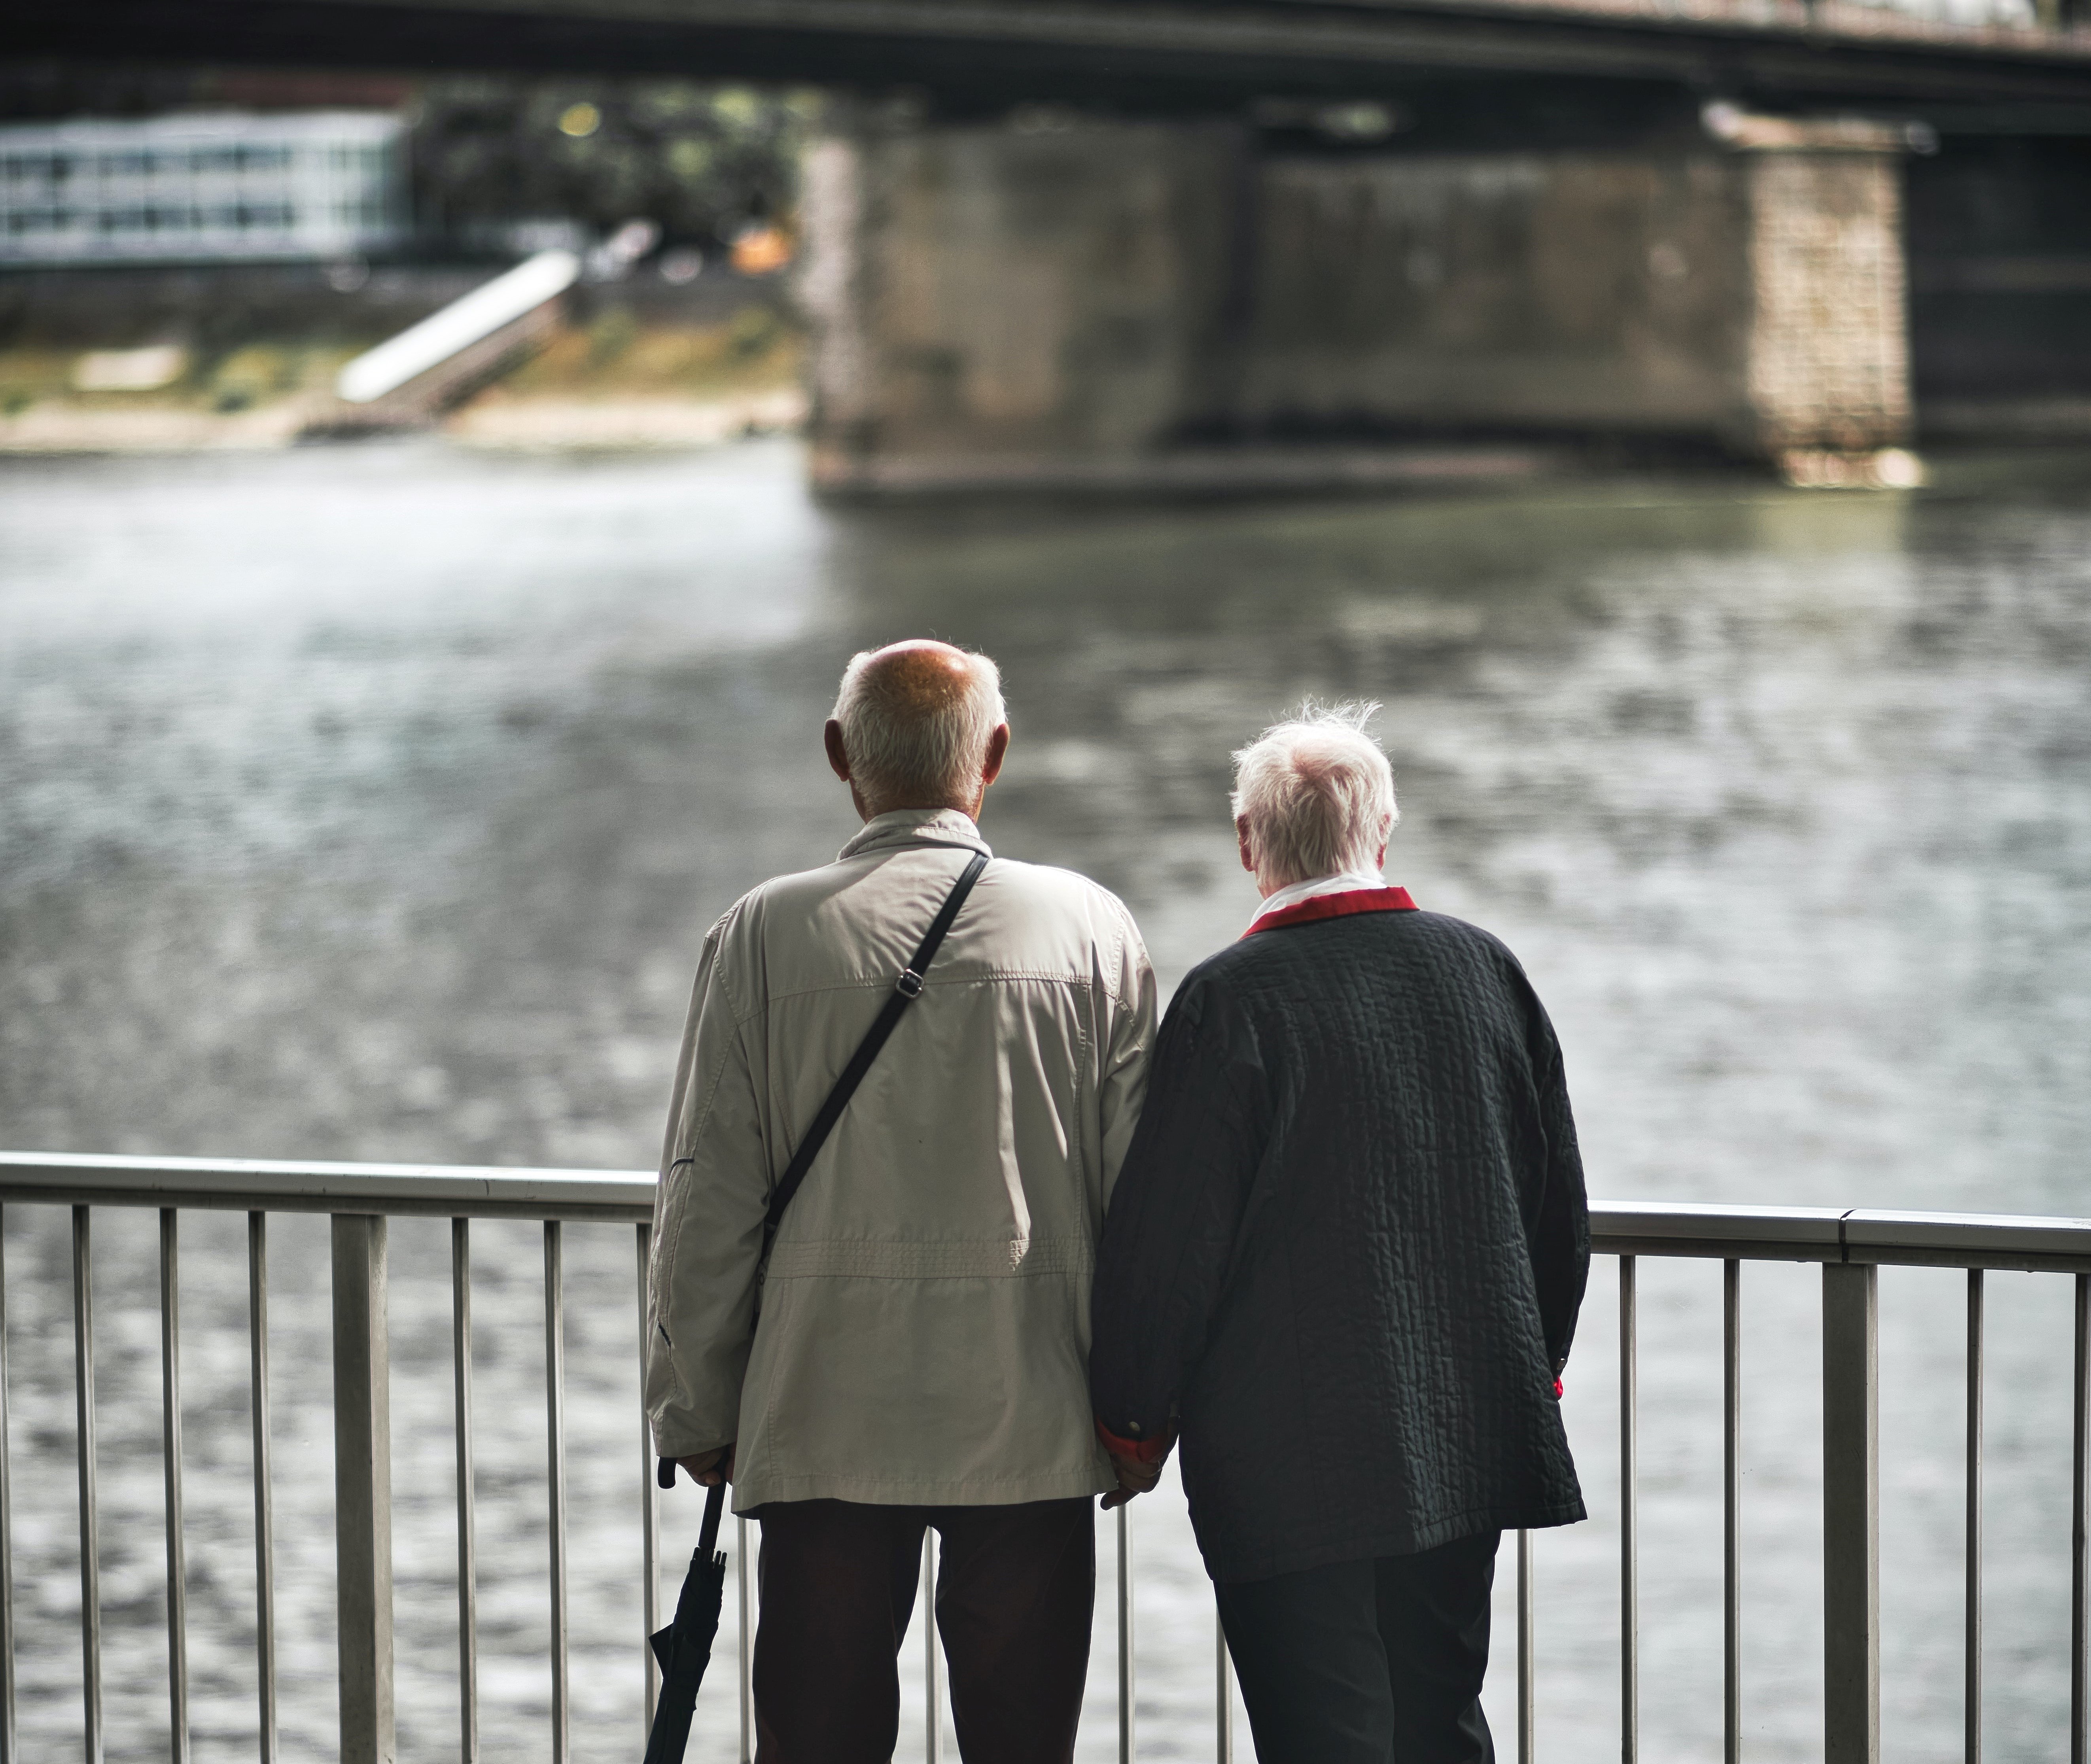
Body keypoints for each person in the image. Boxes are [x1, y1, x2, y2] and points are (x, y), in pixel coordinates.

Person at [645, 639, 1155, 1764]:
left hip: (825, 1412)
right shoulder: (1091, 929)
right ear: (996, 754)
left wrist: (698, 1406)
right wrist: (1139, 1413)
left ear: (840, 754)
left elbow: (707, 1197)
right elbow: (1142, 1207)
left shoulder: (762, 935)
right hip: (1030, 1414)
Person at [1088, 702, 1588, 1764]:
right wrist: (1532, 1370)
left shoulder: (1228, 1001)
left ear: (1248, 842)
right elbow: (1556, 1206)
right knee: (1442, 1716)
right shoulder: (1484, 969)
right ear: (1385, 828)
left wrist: (1132, 1415)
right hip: (1461, 1428)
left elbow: (1170, 1242)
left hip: (1285, 1455)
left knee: (1321, 1734)